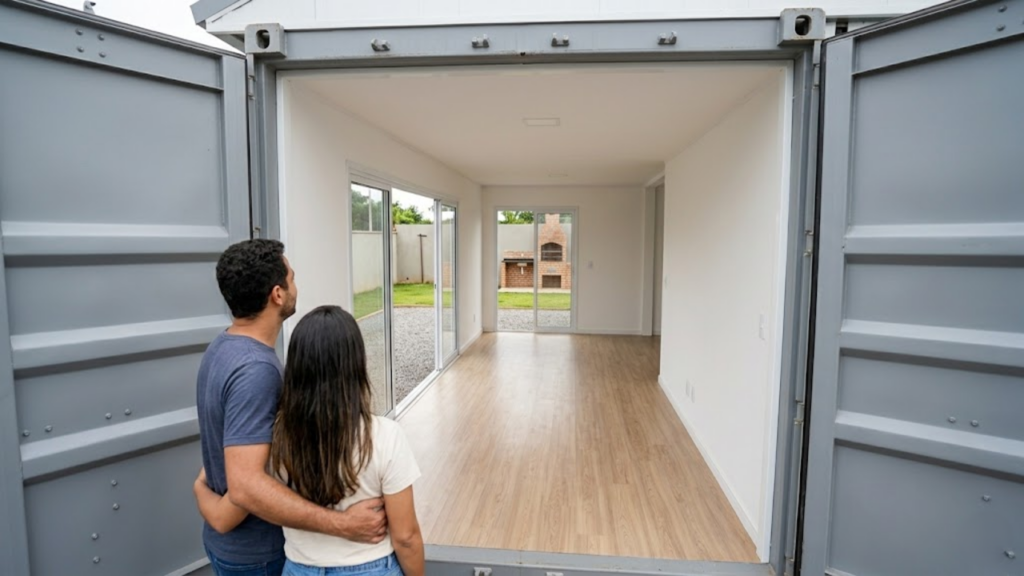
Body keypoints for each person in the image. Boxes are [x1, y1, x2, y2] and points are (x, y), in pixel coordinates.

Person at [196, 239, 388, 576]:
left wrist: (205, 492)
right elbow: (244, 485)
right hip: (259, 555)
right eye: (292, 278)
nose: (295, 286)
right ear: (278, 294)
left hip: (226, 545)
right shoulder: (257, 371)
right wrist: (343, 524)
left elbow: (228, 455)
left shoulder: (221, 348)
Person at [196, 305, 425, 576]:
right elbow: (406, 537)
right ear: (356, 364)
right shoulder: (386, 436)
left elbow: (233, 493)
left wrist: (200, 488)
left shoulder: (275, 436)